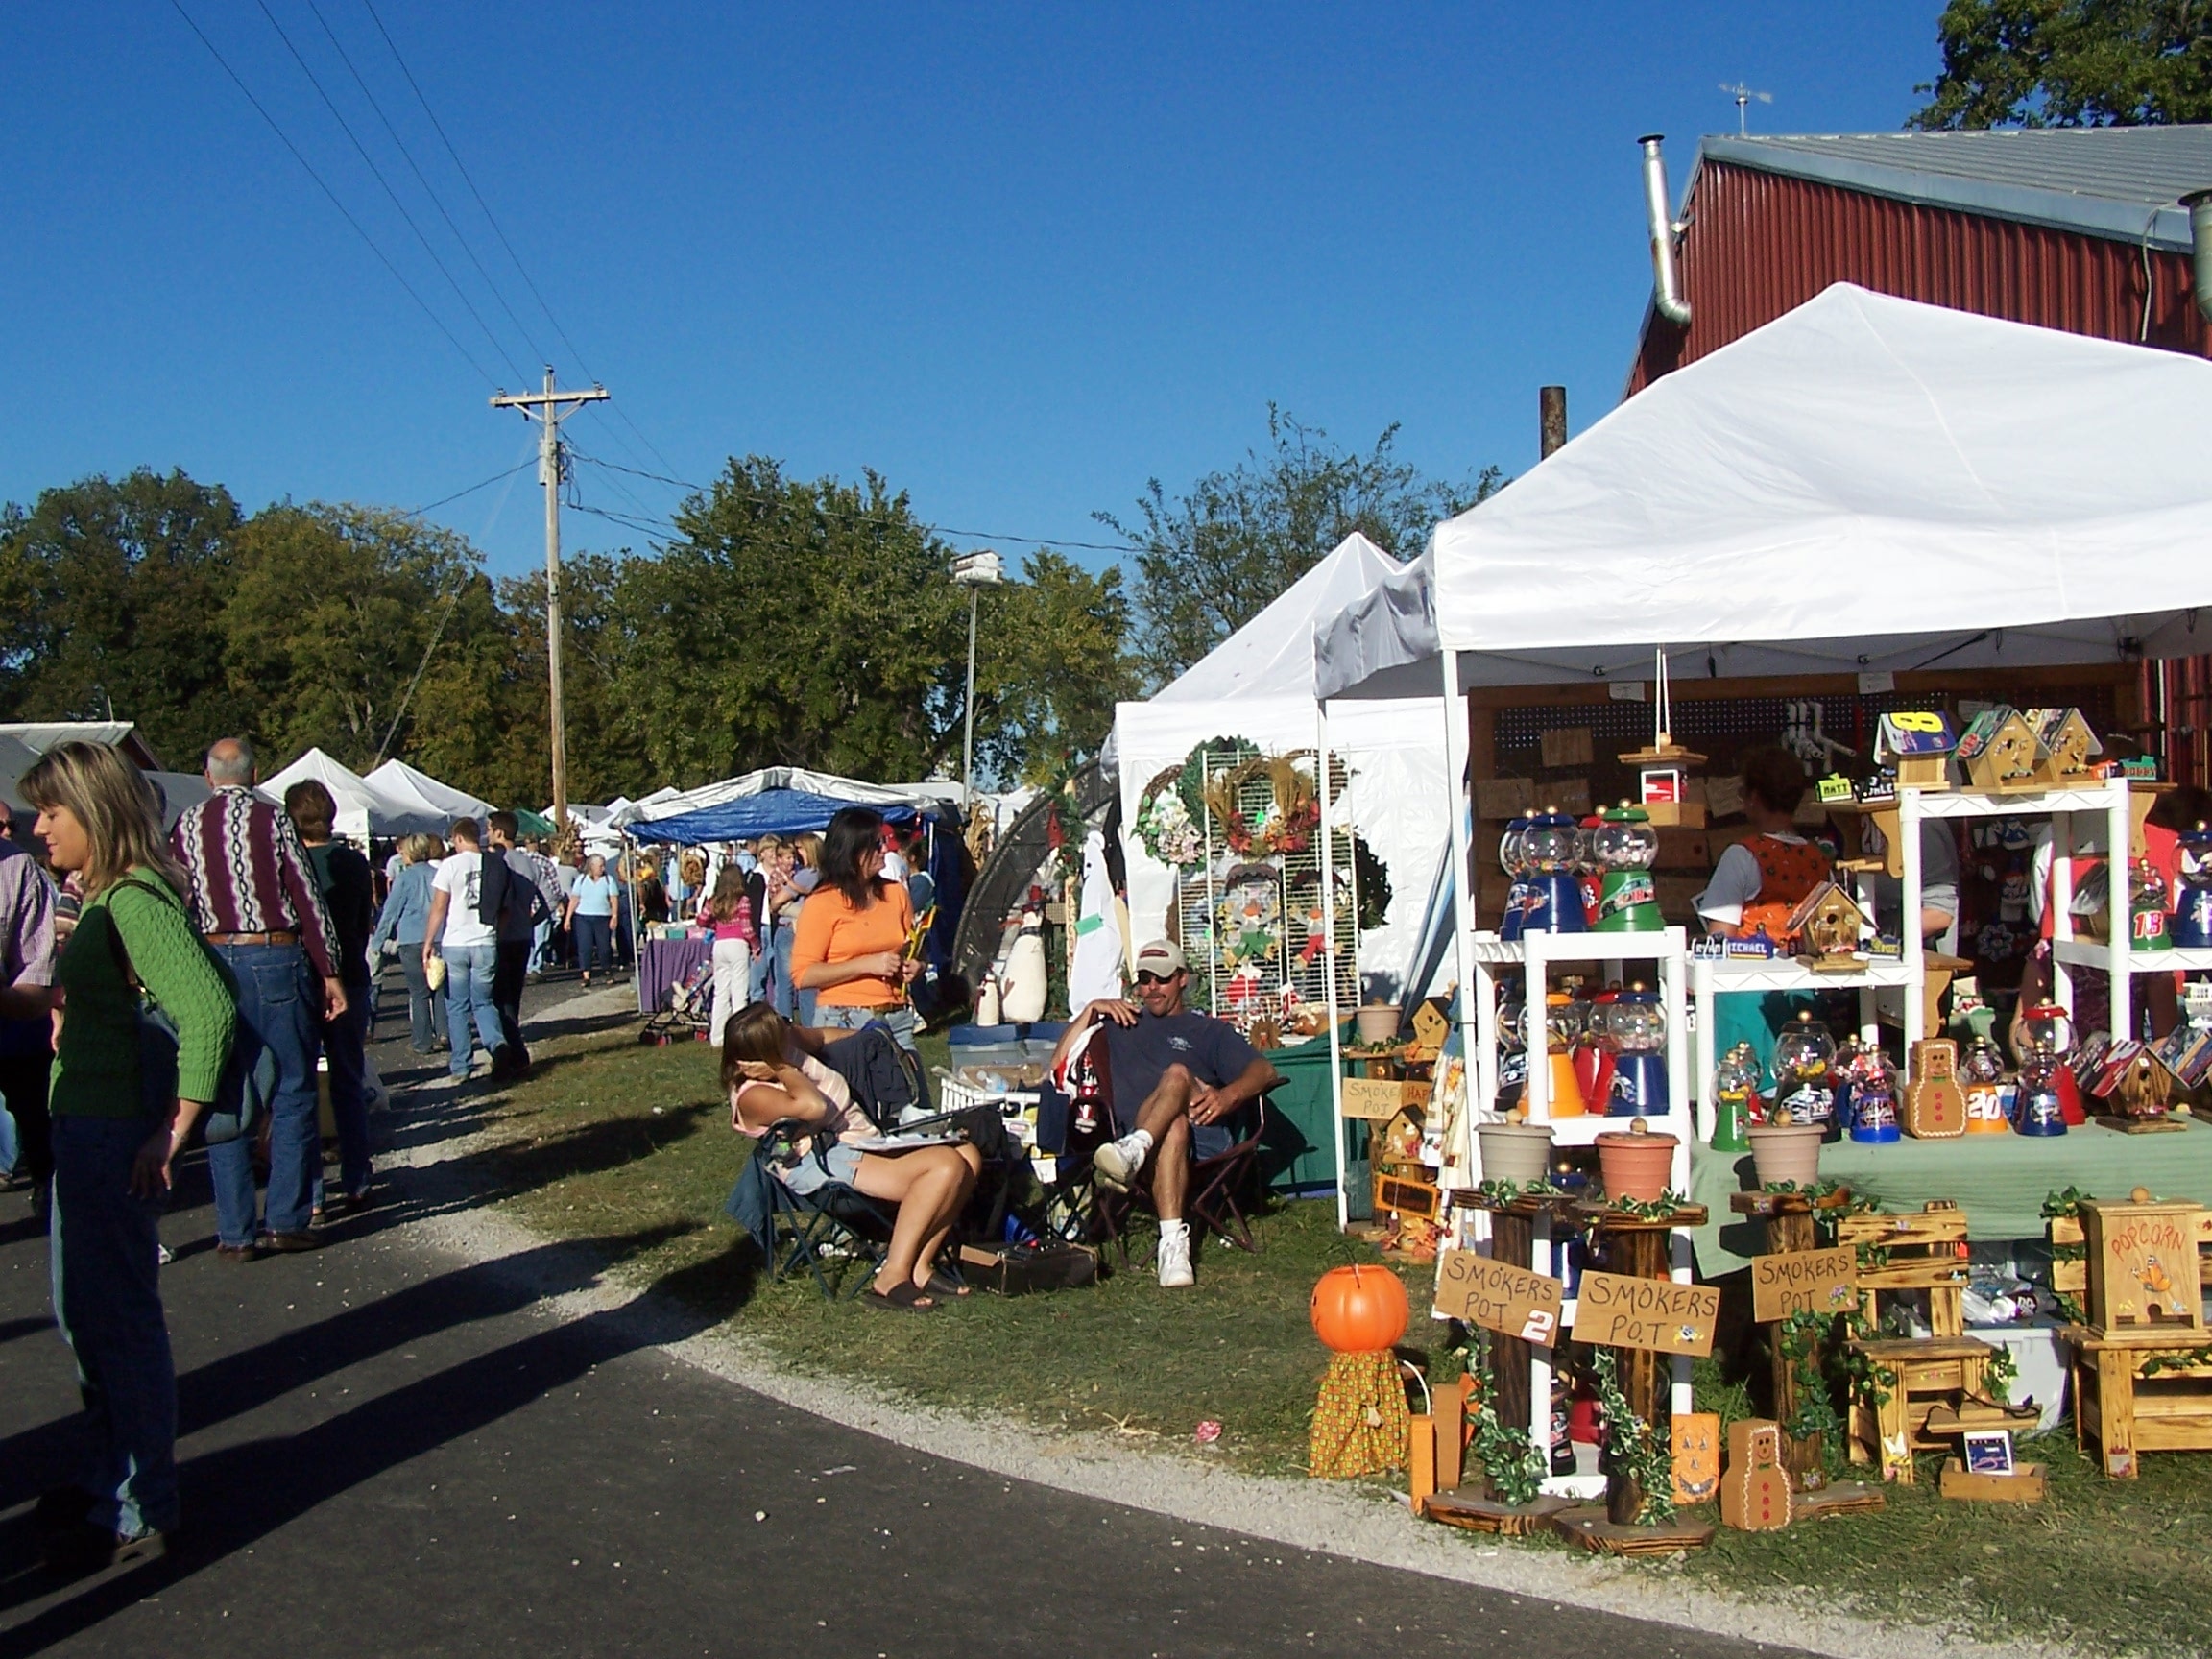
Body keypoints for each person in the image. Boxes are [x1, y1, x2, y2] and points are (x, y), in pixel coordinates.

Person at [27, 740, 234, 1570]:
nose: (37, 828)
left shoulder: (135, 901)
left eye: (51, 812)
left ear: (95, 814)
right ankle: (110, 1471)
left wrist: (170, 1131)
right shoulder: (107, 899)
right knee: (88, 1316)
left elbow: (209, 1009)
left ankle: (140, 1501)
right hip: (87, 1125)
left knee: (117, 1323)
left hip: (115, 1133)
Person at [170, 736, 345, 1255]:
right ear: (254, 775)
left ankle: (235, 1231)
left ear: (208, 777)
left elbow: (177, 898)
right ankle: (286, 1219)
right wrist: (329, 971)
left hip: (212, 957)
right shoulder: (274, 821)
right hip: (273, 953)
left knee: (226, 1090)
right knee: (292, 1088)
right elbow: (306, 898)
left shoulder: (185, 826)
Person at [1051, 940, 1282, 1288]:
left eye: (1161, 979)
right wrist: (1091, 1010)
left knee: (1177, 1074)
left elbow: (1265, 1072)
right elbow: (1056, 1065)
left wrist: (1227, 1096)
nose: (1151, 988)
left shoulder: (1208, 1031)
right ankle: (1174, 1247)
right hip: (1148, 1131)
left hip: (1202, 1140)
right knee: (1172, 1126)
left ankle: (1136, 1149)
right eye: (1144, 979)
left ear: (1182, 979)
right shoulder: (1121, 1022)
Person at [723, 1001, 978, 1310]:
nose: (788, 1034)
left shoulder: (787, 1042)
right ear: (763, 1052)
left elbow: (817, 1037)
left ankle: (920, 1267)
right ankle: (890, 1277)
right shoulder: (752, 1094)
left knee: (968, 1155)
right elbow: (813, 1107)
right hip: (817, 1160)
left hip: (855, 1139)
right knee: (944, 1166)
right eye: (780, 1036)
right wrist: (783, 1067)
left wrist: (870, 1038)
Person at [283, 781, 375, 1214]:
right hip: (351, 973)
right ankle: (357, 1176)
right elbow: (363, 921)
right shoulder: (355, 863)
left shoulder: (289, 865)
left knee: (299, 1085)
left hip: (302, 978)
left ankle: (313, 1191)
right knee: (348, 1080)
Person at [792, 807, 921, 1053]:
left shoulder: (897, 894)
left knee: (911, 1091)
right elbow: (803, 975)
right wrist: (865, 965)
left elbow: (911, 949)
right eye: (876, 844)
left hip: (897, 1018)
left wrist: (916, 966)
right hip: (843, 1020)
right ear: (853, 850)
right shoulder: (822, 902)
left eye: (884, 841)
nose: (885, 849)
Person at [0, 811, 59, 1219]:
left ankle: (48, 1187)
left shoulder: (17, 868)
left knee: (35, 1114)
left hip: (12, 1020)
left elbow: (36, 965)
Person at [421, 818, 511, 1082]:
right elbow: (505, 909)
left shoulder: (450, 865)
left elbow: (439, 906)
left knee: (457, 1005)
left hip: (456, 941)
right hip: (485, 939)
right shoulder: (495, 864)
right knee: (483, 1001)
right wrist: (497, 934)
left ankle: (461, 1064)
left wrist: (428, 942)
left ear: (458, 838)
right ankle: (496, 1044)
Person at [484, 812, 559, 1079]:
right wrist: (534, 919)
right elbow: (551, 898)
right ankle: (511, 1047)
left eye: (490, 830)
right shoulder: (531, 863)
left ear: (500, 833)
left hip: (500, 935)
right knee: (512, 996)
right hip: (522, 935)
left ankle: (512, 1052)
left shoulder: (496, 861)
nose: (487, 834)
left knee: (497, 998)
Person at [370, 833, 445, 1053]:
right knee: (439, 988)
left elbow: (391, 912)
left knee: (418, 993)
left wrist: (378, 941)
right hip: (439, 936)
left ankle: (422, 1041)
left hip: (411, 939)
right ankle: (444, 1031)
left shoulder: (404, 878)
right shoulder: (438, 874)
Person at [701, 865, 757, 1048]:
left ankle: (717, 1036)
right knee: (739, 993)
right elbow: (747, 927)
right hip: (738, 944)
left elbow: (701, 919)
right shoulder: (742, 900)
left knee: (721, 992)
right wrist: (756, 945)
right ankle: (739, 1036)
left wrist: (716, 927)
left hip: (720, 944)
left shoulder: (714, 900)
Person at [565, 854, 619, 987]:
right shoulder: (581, 879)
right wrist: (568, 918)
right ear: (592, 866)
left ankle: (607, 970)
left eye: (603, 865)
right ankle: (586, 975)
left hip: (602, 917)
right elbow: (574, 899)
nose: (602, 868)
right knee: (585, 946)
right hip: (583, 917)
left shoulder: (608, 880)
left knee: (604, 947)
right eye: (600, 866)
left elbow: (613, 898)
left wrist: (614, 915)